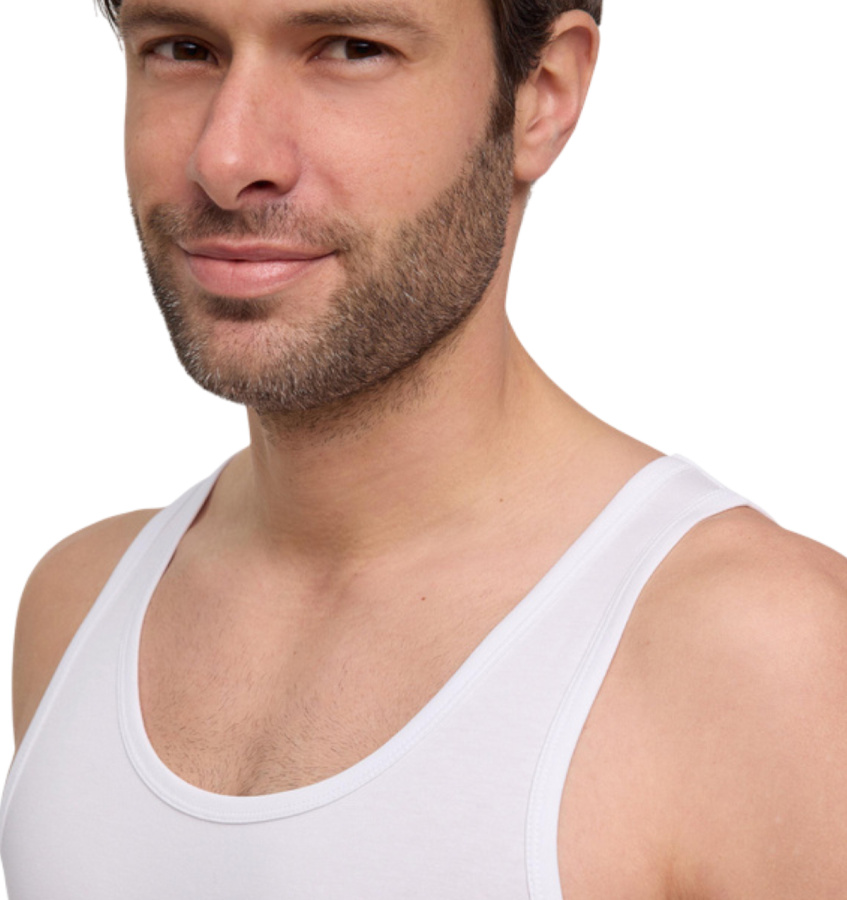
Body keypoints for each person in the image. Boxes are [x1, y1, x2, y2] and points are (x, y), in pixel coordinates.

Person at [2, 0, 846, 897]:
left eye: (350, 49)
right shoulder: (78, 606)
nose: (227, 159)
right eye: (183, 48)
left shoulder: (757, 655)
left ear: (541, 95)